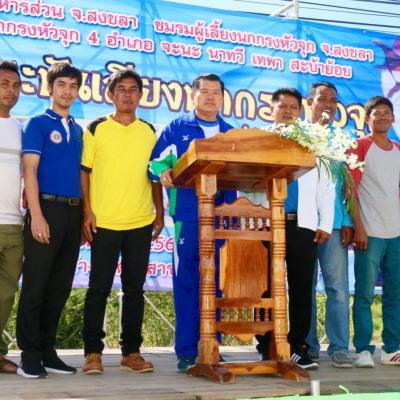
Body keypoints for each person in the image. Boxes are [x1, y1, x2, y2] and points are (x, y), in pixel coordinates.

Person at [149, 73, 236, 373]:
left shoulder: (230, 133)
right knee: (187, 283)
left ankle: (212, 346)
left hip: (222, 218)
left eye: (216, 92)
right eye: (205, 91)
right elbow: (155, 162)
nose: (210, 97)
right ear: (194, 96)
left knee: (216, 285)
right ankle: (187, 351)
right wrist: (163, 171)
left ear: (222, 98)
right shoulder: (177, 127)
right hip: (187, 217)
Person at [81, 68, 164, 375]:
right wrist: (87, 212)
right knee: (98, 288)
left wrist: (159, 210)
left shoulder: (149, 131)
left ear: (141, 96)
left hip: (140, 221)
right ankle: (92, 353)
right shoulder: (96, 128)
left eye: (133, 90)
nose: (127, 95)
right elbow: (84, 172)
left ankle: (131, 352)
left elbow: (154, 174)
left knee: (134, 290)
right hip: (103, 222)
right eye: (121, 89)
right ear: (111, 95)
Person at [252, 88, 335, 370]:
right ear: (271, 109)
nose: (287, 111)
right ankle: (267, 345)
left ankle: (298, 346)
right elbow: (247, 182)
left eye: (292, 107)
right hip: (266, 224)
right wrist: (252, 219)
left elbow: (326, 184)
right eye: (282, 106)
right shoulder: (260, 139)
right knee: (264, 288)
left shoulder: (312, 140)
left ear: (300, 111)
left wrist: (325, 223)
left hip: (303, 224)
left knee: (301, 287)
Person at [16, 62, 83, 379]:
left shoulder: (79, 130)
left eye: (73, 86)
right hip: (46, 210)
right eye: (61, 85)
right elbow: (29, 171)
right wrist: (37, 216)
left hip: (73, 213)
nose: (67, 91)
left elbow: (81, 175)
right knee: (36, 285)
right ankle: (29, 355)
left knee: (59, 287)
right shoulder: (38, 123)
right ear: (50, 88)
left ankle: (47, 351)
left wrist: (83, 216)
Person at [349, 96, 400, 368]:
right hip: (370, 233)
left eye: (387, 113)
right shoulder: (359, 146)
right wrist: (359, 228)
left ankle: (392, 349)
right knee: (364, 294)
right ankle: (363, 350)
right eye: (376, 113)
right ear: (367, 119)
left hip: (396, 235)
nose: (382, 117)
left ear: (393, 118)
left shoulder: (398, 149)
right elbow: (350, 190)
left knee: (395, 295)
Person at [305, 82, 354, 368]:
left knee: (337, 288)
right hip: (304, 223)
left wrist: (347, 220)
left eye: (333, 100)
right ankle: (307, 346)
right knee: (304, 287)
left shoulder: (342, 139)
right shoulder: (298, 135)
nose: (328, 105)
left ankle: (339, 347)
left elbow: (346, 186)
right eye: (322, 99)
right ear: (309, 102)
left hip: (334, 225)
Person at [0, 60, 23, 374]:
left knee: (5, 295)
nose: (11, 90)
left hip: (15, 224)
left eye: (16, 85)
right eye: (5, 83)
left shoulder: (21, 129)